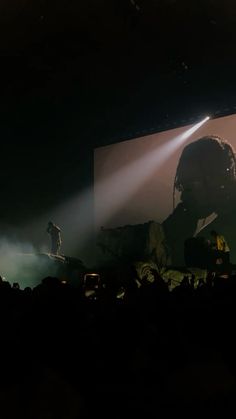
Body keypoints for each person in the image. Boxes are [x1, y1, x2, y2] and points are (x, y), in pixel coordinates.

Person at [162, 135, 236, 266]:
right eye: (182, 187)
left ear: (216, 178)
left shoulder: (214, 238)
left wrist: (177, 244)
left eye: (189, 186)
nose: (183, 196)